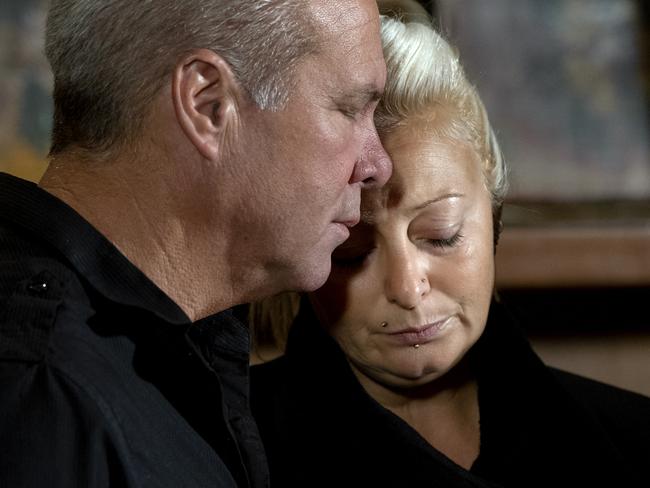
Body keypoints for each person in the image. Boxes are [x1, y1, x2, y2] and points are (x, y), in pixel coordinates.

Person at [249, 2, 650, 487]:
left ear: (493, 209)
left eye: (442, 234)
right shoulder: (225, 450)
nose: (407, 288)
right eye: (351, 253)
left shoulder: (632, 442)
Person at [0, 1, 392, 487]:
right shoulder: (44, 401)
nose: (378, 166)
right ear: (208, 104)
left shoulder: (132, 361)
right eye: (351, 108)